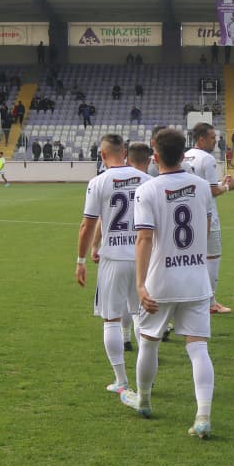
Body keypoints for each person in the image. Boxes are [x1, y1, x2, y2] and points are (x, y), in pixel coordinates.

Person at [125, 128, 217, 437]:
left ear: (155, 155)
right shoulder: (202, 186)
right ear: (184, 153)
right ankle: (203, 415)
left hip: (161, 280)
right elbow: (203, 229)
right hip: (195, 278)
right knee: (198, 348)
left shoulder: (148, 190)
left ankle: (144, 399)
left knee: (148, 342)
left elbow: (144, 238)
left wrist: (140, 284)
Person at [76, 135, 149, 395]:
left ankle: (121, 380)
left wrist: (82, 259)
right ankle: (145, 383)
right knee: (142, 318)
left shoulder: (98, 182)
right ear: (125, 152)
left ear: (102, 154)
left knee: (111, 319)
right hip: (143, 260)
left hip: (113, 259)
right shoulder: (147, 181)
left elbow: (88, 225)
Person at [182, 123, 234, 314]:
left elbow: (205, 186)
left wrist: (221, 183)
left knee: (194, 258)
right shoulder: (207, 159)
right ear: (201, 139)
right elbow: (212, 191)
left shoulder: (186, 155)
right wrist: (228, 187)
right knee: (212, 258)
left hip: (188, 215)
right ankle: (210, 302)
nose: (215, 140)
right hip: (208, 216)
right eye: (212, 137)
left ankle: (194, 297)